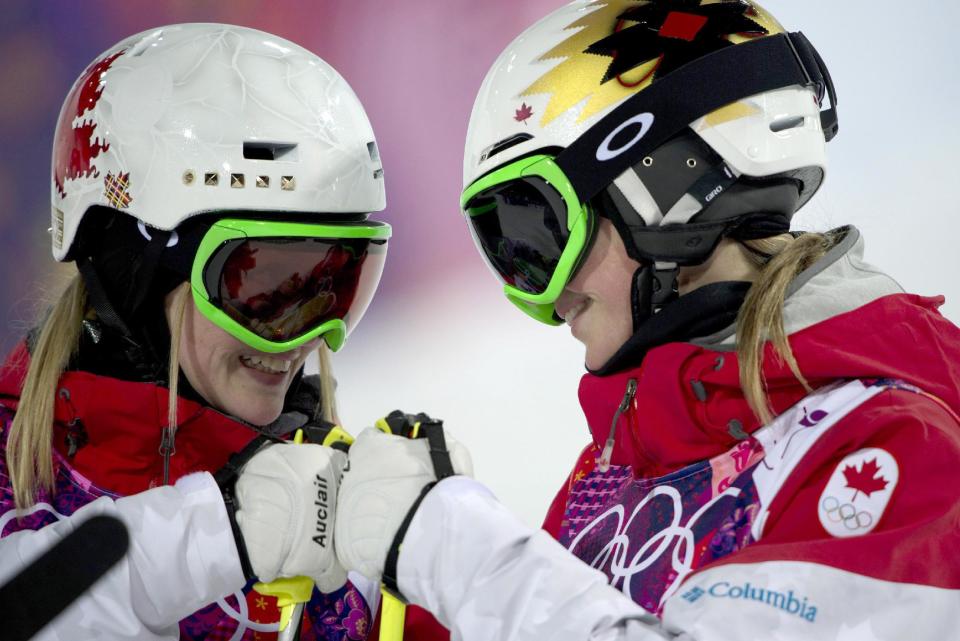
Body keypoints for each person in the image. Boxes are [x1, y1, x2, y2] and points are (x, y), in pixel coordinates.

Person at [332, 1, 960, 639]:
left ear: (663, 184)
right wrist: (352, 581)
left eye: (537, 234)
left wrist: (456, 552)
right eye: (509, 252)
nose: (543, 301)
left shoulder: (897, 451)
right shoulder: (624, 459)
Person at [0, 23, 390, 640]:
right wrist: (216, 529)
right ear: (137, 275)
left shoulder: (349, 516)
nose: (299, 339)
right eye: (262, 289)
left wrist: (457, 556)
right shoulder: (13, 484)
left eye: (337, 283)